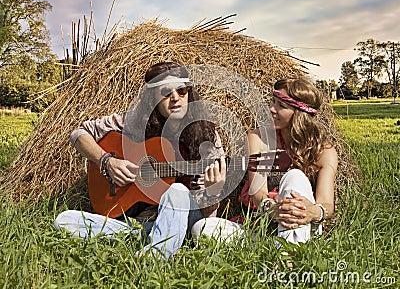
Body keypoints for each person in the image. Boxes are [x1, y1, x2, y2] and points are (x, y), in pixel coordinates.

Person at [54, 61, 226, 260]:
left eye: (182, 90)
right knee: (64, 220)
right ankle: (153, 238)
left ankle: (155, 256)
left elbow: (206, 216)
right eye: (165, 92)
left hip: (183, 218)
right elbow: (79, 134)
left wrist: (214, 192)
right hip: (136, 221)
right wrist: (107, 161)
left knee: (177, 191)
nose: (175, 98)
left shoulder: (206, 136)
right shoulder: (134, 121)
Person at [191, 78, 338, 245]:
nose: (271, 109)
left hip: (304, 222)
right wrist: (275, 209)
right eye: (273, 102)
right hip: (263, 223)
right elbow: (257, 193)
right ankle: (277, 246)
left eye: (281, 106)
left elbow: (327, 203)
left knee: (295, 177)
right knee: (201, 228)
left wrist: (313, 212)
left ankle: (286, 256)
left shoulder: (324, 151)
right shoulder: (258, 138)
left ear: (300, 115)